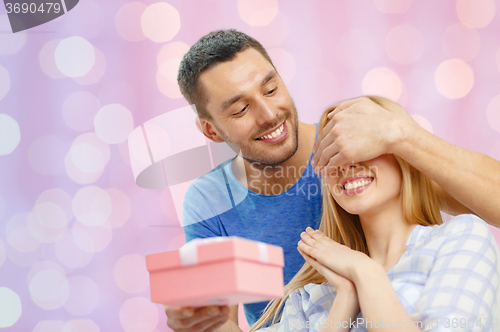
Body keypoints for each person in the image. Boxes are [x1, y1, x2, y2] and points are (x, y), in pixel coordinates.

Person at [165, 29, 500, 332]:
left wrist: (402, 135)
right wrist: (198, 321)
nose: (268, 115)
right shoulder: (211, 202)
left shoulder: (369, 154)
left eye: (271, 88)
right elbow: (217, 321)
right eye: (240, 110)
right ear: (211, 129)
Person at [248, 96, 500, 332]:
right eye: (332, 152)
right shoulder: (308, 299)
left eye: (362, 145)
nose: (347, 162)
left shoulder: (459, 240)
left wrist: (367, 274)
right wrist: (344, 302)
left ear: (406, 155)